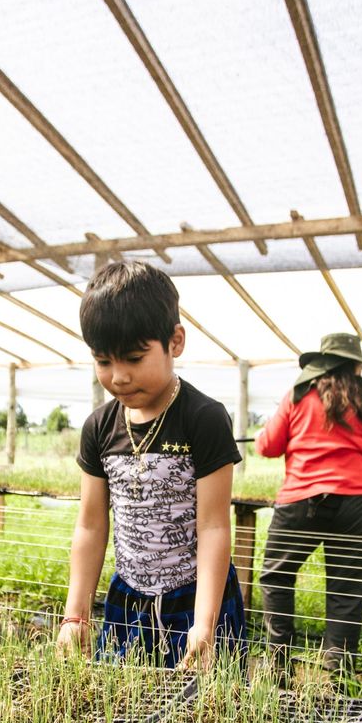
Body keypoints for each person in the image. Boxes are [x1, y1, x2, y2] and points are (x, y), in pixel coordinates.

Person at [57, 260, 245, 669]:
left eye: (134, 358)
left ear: (175, 341)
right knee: (120, 706)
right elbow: (90, 525)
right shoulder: (99, 427)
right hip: (129, 599)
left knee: (206, 715)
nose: (119, 376)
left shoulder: (203, 418)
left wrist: (205, 622)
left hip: (197, 598)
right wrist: (76, 614)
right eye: (103, 361)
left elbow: (214, 525)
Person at [254, 333, 362, 671]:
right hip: (355, 506)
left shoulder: (298, 395)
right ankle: (338, 675)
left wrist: (265, 431)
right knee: (347, 592)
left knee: (276, 578)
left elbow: (267, 447)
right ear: (357, 367)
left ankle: (277, 665)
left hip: (300, 501)